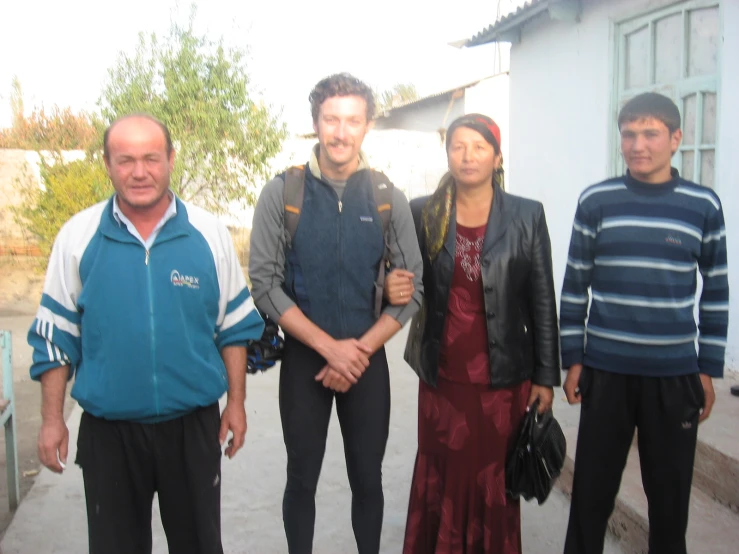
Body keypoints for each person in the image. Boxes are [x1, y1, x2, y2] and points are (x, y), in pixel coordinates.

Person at [28, 113, 265, 554]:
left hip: (192, 429)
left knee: (198, 546)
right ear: (107, 163)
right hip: (109, 433)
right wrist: (51, 420)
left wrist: (236, 403)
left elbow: (233, 328)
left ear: (171, 159)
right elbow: (56, 338)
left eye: (152, 158)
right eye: (126, 160)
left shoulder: (209, 234)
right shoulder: (78, 236)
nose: (140, 172)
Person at [248, 73, 424, 554]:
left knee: (368, 477)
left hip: (367, 364)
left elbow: (412, 290)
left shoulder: (388, 197)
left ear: (367, 126)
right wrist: (330, 349)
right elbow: (263, 283)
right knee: (301, 476)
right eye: (331, 119)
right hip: (306, 361)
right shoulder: (284, 193)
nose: (341, 132)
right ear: (315, 123)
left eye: (352, 120)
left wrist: (359, 351)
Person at [560, 92, 729, 554]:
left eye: (650, 133)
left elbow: (715, 291)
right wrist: (572, 359)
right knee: (591, 496)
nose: (638, 144)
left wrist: (706, 369)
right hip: (606, 374)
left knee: (670, 505)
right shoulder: (597, 201)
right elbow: (575, 285)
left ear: (675, 139)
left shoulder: (702, 206)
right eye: (629, 134)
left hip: (673, 378)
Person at [385, 113, 560, 554]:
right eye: (458, 146)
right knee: (441, 469)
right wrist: (389, 283)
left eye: (479, 147)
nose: (467, 156)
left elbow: (542, 301)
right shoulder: (423, 211)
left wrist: (545, 377)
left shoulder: (526, 215)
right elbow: (401, 274)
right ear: (447, 154)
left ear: (497, 156)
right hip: (442, 374)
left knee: (492, 476)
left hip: (502, 378)